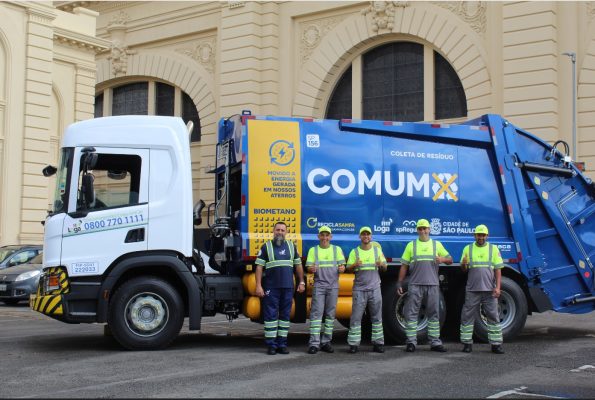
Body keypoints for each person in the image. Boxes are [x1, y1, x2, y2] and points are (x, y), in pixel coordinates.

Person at [397, 218, 452, 353]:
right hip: (415, 285)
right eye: (420, 228)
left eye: (425, 228)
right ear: (417, 230)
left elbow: (450, 260)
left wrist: (442, 259)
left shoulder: (436, 245)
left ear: (429, 229)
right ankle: (411, 342)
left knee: (433, 314)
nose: (422, 231)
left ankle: (435, 342)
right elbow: (404, 266)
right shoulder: (411, 245)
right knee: (411, 314)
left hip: (432, 285)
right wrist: (399, 283)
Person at [255, 221, 305, 355]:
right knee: (270, 317)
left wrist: (301, 282)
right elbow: (259, 267)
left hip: (288, 288)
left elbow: (298, 265)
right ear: (273, 231)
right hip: (271, 288)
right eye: (278, 230)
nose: (280, 232)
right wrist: (258, 285)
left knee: (285, 316)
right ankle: (271, 345)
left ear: (286, 232)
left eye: (283, 230)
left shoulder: (292, 246)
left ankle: (282, 344)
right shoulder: (266, 247)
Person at [459, 224, 505, 354]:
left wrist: (498, 287)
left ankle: (496, 345)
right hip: (472, 289)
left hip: (489, 290)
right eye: (479, 235)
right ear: (475, 235)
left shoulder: (493, 249)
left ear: (487, 236)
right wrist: (463, 264)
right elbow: (463, 270)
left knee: (493, 316)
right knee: (467, 316)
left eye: (483, 235)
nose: (481, 237)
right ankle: (467, 344)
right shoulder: (468, 249)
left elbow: (498, 269)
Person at [346, 226, 387, 354]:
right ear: (360, 237)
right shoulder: (355, 252)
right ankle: (353, 344)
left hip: (374, 289)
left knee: (377, 317)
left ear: (371, 236)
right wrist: (354, 265)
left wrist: (382, 265)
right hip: (359, 289)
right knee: (356, 318)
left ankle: (378, 343)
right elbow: (348, 269)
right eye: (363, 234)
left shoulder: (377, 251)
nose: (366, 236)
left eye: (368, 234)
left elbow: (385, 268)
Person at [306, 226, 346, 354]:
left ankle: (326, 342)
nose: (324, 238)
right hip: (319, 285)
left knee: (330, 315)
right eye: (322, 235)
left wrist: (342, 269)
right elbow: (308, 267)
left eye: (327, 235)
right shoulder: (314, 250)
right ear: (318, 237)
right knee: (316, 315)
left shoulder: (337, 249)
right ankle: (314, 343)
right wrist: (311, 269)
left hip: (333, 286)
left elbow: (343, 266)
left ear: (330, 237)